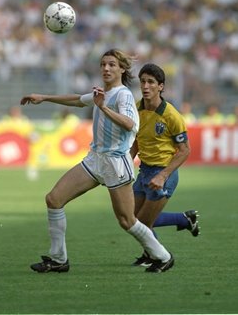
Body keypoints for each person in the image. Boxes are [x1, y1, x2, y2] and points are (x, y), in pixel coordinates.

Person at [20, 49, 174, 274]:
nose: (106, 68)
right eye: (103, 64)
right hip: (95, 160)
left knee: (127, 221)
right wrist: (44, 97)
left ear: (122, 69)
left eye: (112, 64)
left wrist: (102, 106)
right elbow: (76, 100)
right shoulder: (101, 93)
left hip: (116, 163)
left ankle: (163, 256)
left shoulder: (123, 95)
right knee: (54, 199)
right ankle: (58, 259)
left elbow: (132, 124)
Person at [130, 63, 199, 267]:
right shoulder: (137, 107)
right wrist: (126, 162)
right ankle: (184, 220)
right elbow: (136, 139)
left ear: (161, 86)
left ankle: (159, 256)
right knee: (133, 218)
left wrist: (163, 175)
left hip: (163, 173)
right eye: (143, 81)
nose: (146, 86)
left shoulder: (171, 115)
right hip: (144, 171)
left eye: (151, 82)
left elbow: (185, 150)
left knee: (141, 223)